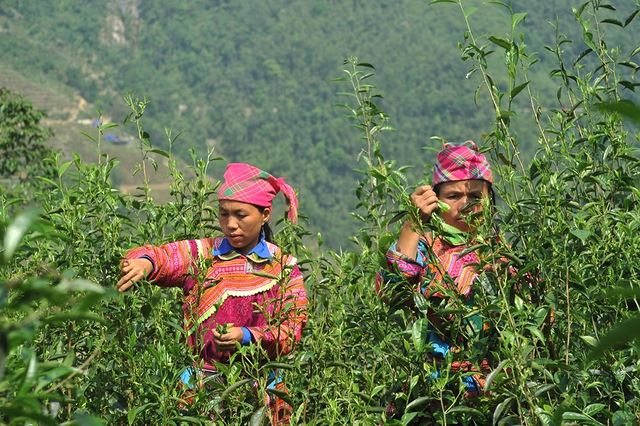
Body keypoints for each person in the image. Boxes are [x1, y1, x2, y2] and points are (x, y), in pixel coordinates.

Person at [116, 163, 308, 425]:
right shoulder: (202, 254)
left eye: (241, 215)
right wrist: (143, 263)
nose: (231, 224)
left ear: (264, 215)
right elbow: (164, 257)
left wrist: (247, 336)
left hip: (263, 391)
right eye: (224, 214)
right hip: (203, 389)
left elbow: (292, 327)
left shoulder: (283, 267)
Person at [377, 141, 504, 405]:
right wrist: (413, 221)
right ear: (436, 201)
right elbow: (393, 291)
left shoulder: (503, 255)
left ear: (490, 201)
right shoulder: (427, 249)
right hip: (439, 389)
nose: (465, 205)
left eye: (475, 197)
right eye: (453, 196)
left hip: (499, 389)